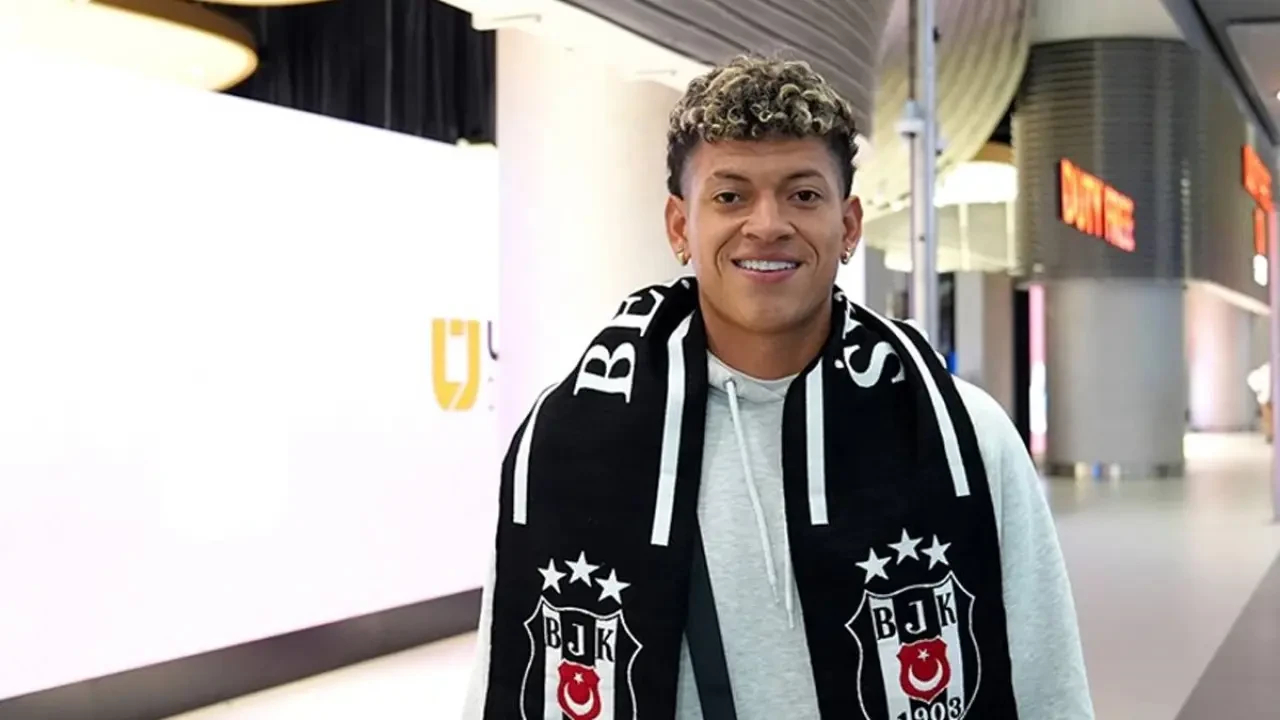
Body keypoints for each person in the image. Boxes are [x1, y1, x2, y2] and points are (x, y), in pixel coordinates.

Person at [465, 54, 1092, 719]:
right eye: (730, 196)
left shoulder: (963, 436)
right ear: (680, 226)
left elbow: (1048, 689)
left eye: (803, 195)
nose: (767, 225)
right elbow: (505, 679)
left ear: (848, 225)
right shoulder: (568, 440)